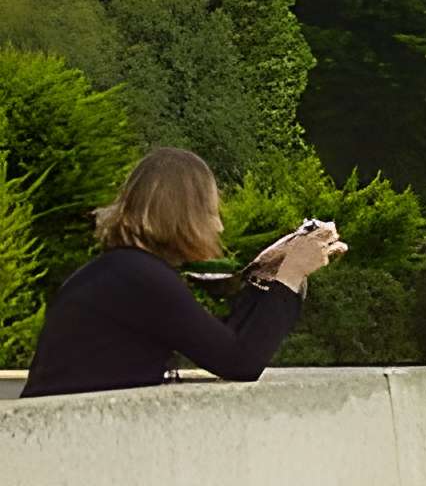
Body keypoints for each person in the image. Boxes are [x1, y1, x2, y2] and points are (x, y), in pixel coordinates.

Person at [19, 147, 341, 399]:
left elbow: (226, 343)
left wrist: (266, 272)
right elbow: (240, 361)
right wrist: (292, 273)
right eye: (211, 213)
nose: (219, 226)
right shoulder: (140, 278)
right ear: (184, 216)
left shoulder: (123, 272)